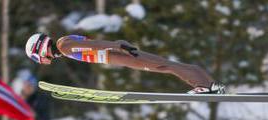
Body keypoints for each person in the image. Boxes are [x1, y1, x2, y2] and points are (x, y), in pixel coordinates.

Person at [25, 33, 225, 94]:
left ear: (40, 50)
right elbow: (90, 45)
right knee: (165, 64)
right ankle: (211, 84)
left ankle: (203, 86)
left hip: (118, 55)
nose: (44, 61)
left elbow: (93, 45)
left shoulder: (63, 46)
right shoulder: (63, 42)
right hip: (118, 55)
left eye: (40, 58)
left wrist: (116, 46)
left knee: (164, 66)